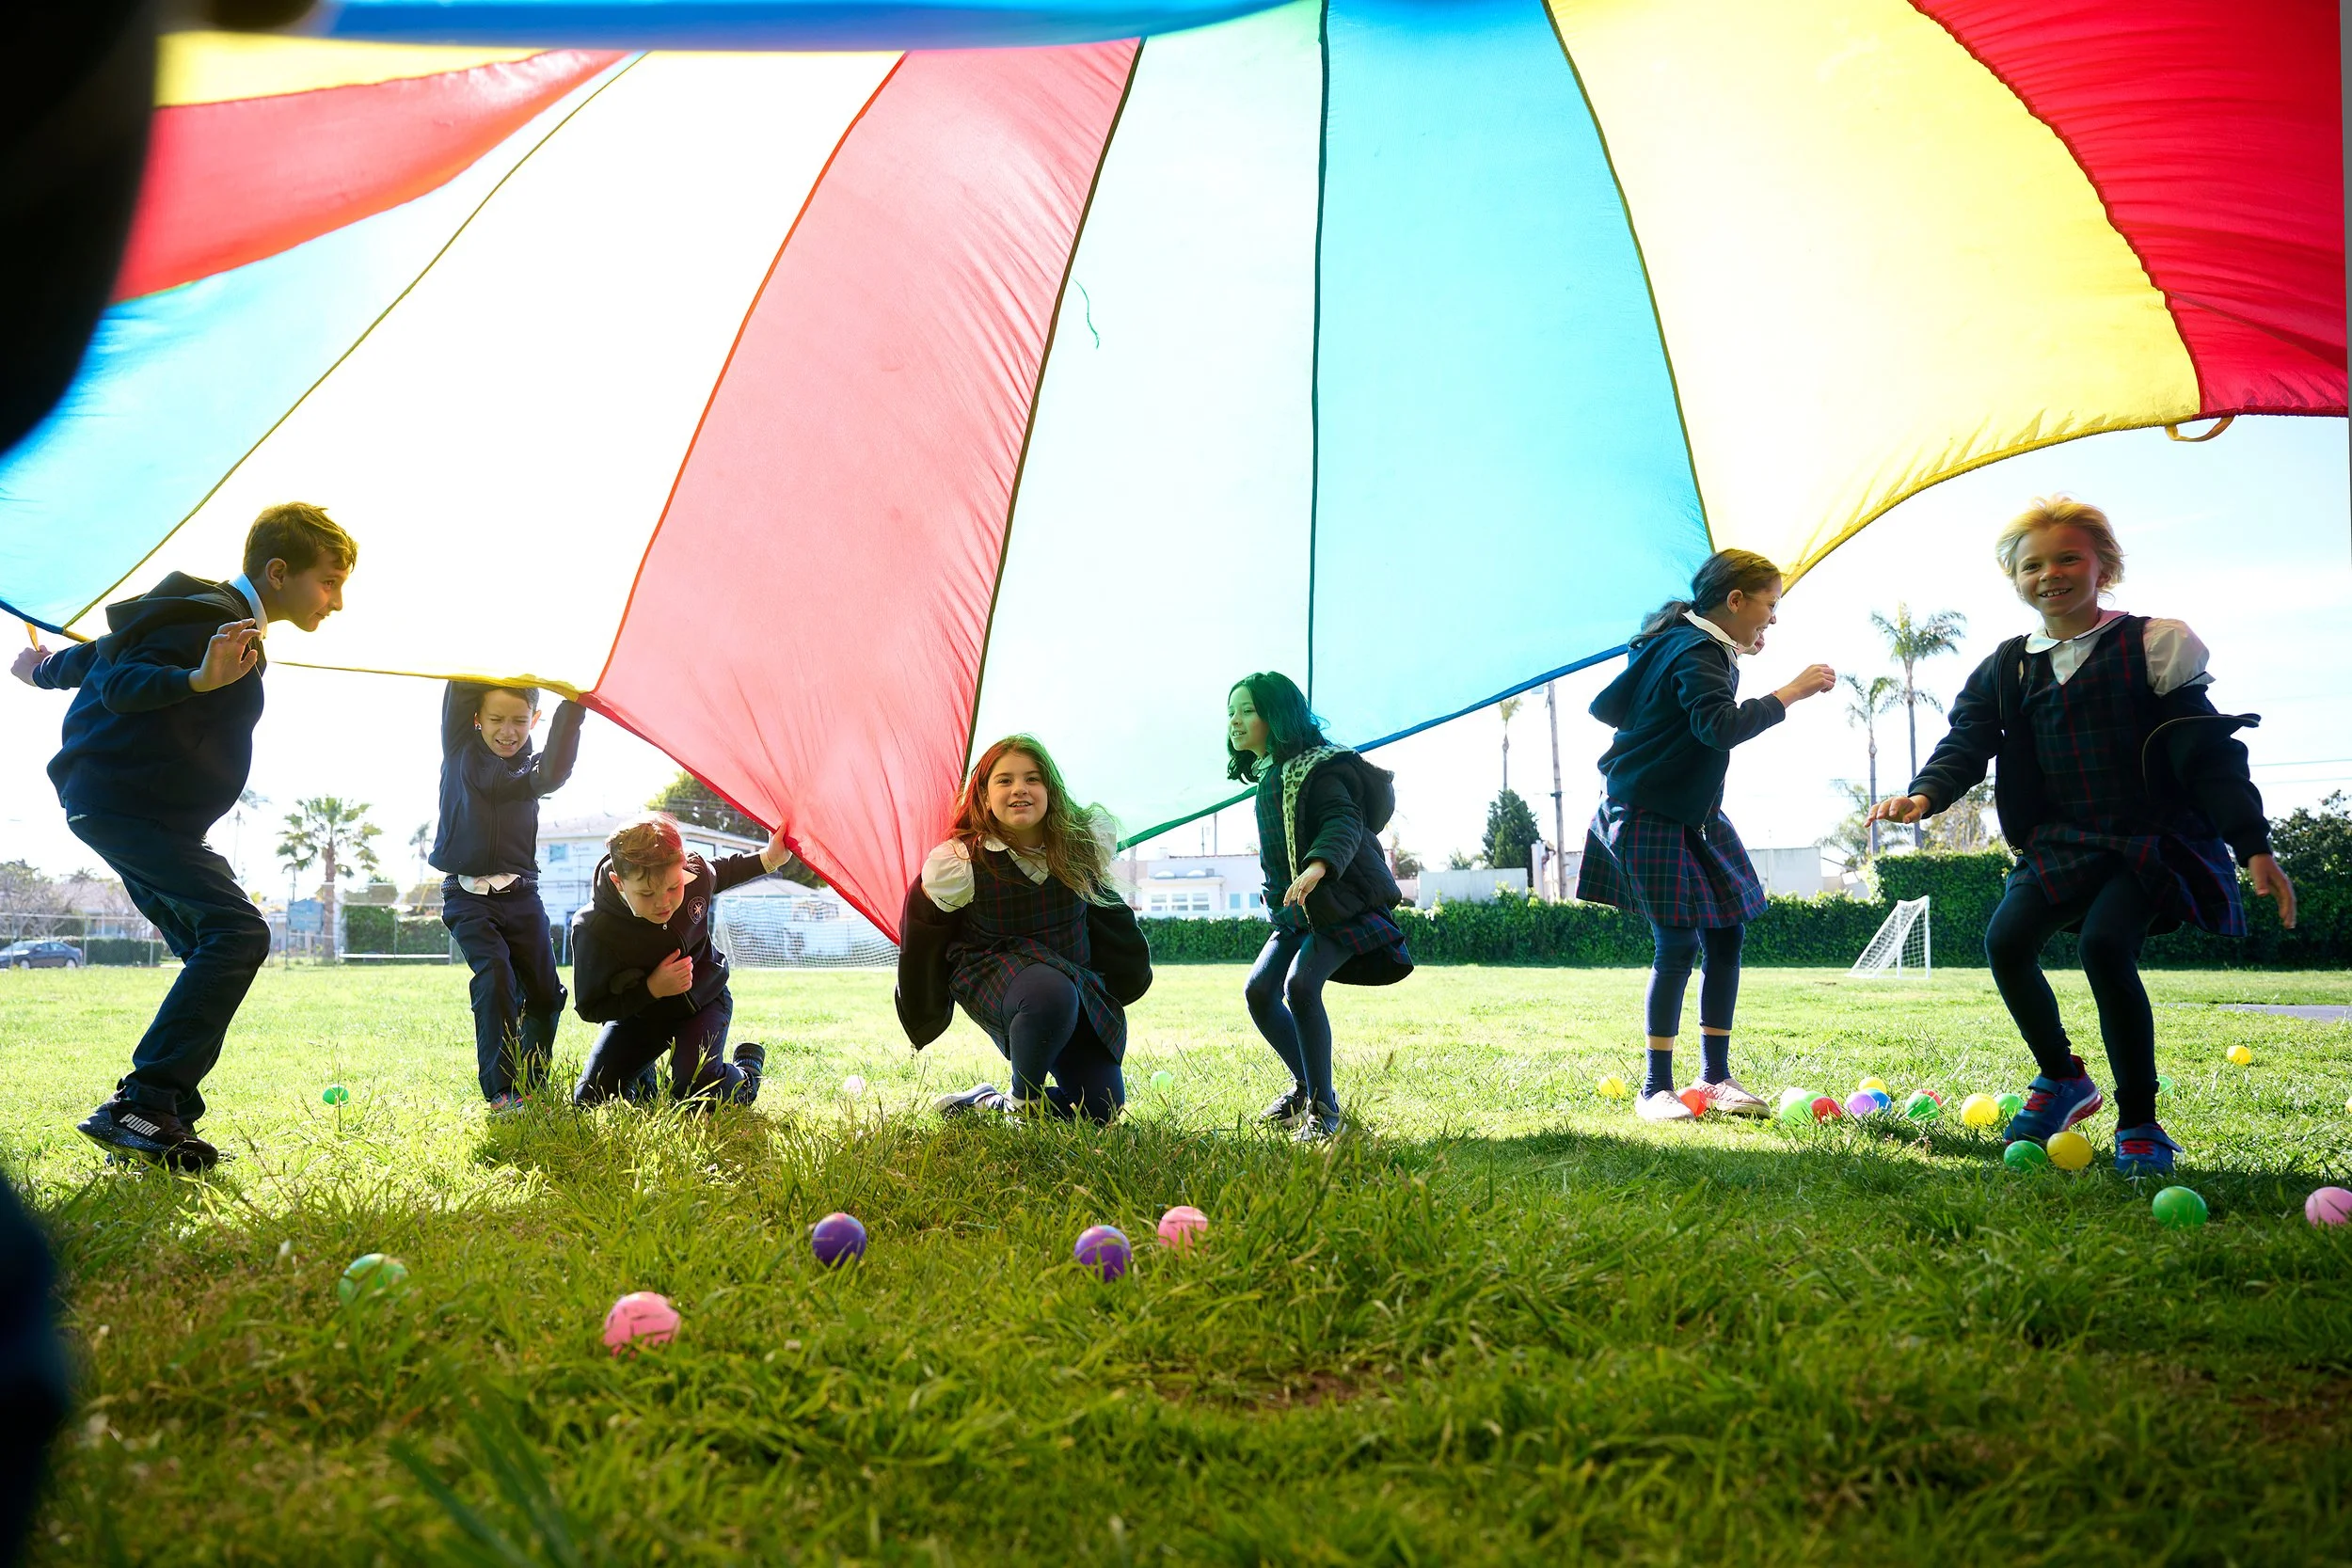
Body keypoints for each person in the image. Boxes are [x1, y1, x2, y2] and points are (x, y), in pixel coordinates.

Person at [1869, 497, 2294, 1175]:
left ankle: (2141, 1122)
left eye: (2068, 557)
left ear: (2104, 565)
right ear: (2015, 578)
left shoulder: (2153, 643)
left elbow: (2209, 753)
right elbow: (1967, 740)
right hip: (2063, 839)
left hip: (2151, 836)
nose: (2051, 573)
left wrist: (2252, 843)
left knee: (2104, 945)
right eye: (2032, 564)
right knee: (2005, 940)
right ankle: (2064, 1076)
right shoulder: (2008, 667)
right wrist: (1924, 794)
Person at [11, 502, 358, 1170]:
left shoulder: (213, 620)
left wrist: (42, 669)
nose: (337, 601)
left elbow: (102, 654)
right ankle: (144, 1103)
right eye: (330, 580)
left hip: (127, 809)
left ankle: (148, 1119)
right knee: (238, 932)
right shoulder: (208, 613)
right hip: (127, 805)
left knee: (216, 940)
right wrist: (197, 679)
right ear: (279, 571)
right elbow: (119, 681)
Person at [1577, 549, 1836, 1123]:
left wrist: (1736, 651)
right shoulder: (1695, 650)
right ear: (1736, 600)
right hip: (1645, 810)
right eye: (1770, 604)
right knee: (1678, 942)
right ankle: (1654, 1089)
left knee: (1726, 932)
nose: (1773, 618)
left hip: (1692, 813)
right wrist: (1790, 691)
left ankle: (1715, 1078)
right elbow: (1717, 727)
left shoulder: (1700, 646)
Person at [898, 736, 1152, 1125]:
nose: (1020, 788)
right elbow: (923, 933)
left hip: (1074, 979)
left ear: (1050, 790)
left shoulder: (1081, 844)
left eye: (1032, 779)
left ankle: (994, 1103)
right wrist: (922, 1008)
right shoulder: (962, 861)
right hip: (995, 973)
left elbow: (1107, 914)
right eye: (1004, 781)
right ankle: (1024, 1101)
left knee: (1101, 1109)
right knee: (1049, 992)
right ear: (984, 797)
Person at [1226, 673, 1413, 1144]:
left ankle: (1324, 1110)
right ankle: (1305, 1087)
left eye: (1248, 710)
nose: (1236, 720)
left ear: (1278, 715)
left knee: (1301, 985)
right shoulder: (1270, 775)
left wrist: (1318, 866)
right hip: (1296, 911)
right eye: (1232, 712)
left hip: (1338, 901)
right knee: (1259, 992)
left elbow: (1344, 819)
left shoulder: (1319, 767)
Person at [431, 681, 584, 1109]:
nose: (507, 730)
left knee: (544, 991)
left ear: (535, 721)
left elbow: (555, 772)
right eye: (496, 719)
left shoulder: (530, 770)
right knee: (496, 975)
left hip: (521, 897)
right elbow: (462, 686)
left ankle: (531, 1084)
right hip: (468, 896)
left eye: (519, 720)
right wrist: (491, 657)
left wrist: (573, 707)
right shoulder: (459, 748)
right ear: (477, 719)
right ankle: (502, 1091)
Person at [569, 813, 787, 1108]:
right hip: (641, 1016)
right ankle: (642, 1081)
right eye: (646, 893)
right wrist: (652, 989)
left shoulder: (695, 875)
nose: (663, 902)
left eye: (674, 887)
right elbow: (590, 1007)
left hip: (704, 1000)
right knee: (590, 1099)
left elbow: (723, 871)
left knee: (694, 1093)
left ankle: (746, 1072)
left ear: (683, 867)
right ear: (618, 882)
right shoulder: (594, 928)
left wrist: (770, 858)